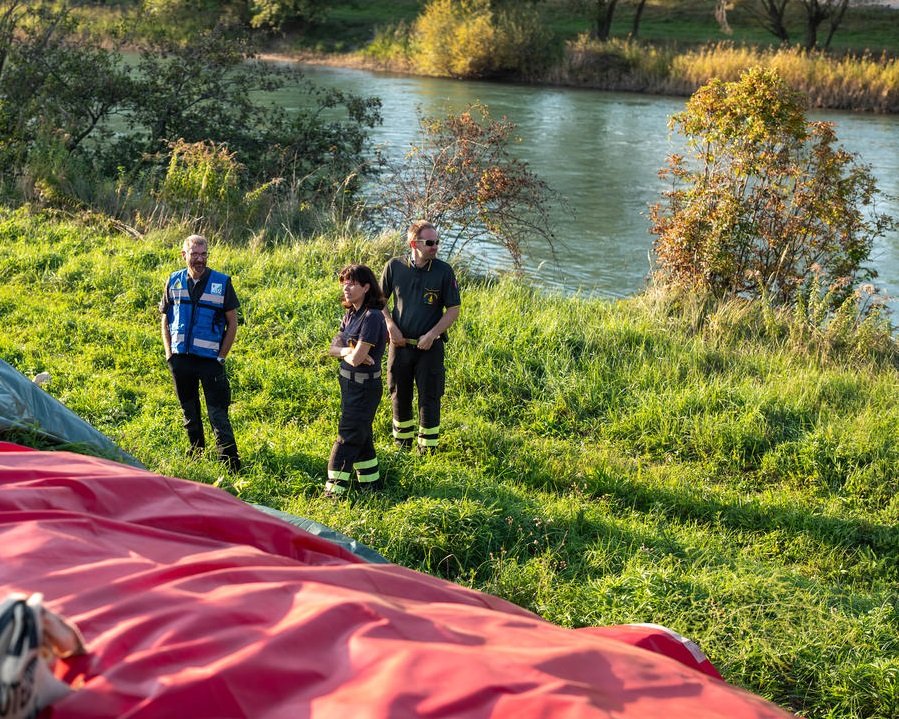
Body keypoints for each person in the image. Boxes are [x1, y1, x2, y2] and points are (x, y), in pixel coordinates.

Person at [160, 234, 241, 471]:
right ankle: (196, 454)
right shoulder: (173, 280)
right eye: (194, 254)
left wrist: (221, 357)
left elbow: (232, 323)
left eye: (203, 254)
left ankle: (230, 463)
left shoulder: (222, 282)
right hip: (181, 359)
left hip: (210, 361)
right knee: (189, 411)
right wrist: (169, 354)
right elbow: (165, 320)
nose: (200, 259)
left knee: (218, 413)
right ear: (184, 255)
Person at [380, 220, 461, 453]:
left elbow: (453, 309)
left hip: (430, 348)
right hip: (400, 346)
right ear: (414, 243)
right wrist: (389, 325)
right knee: (399, 394)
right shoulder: (394, 266)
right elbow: (379, 302)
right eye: (430, 242)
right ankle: (402, 446)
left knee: (430, 396)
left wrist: (433, 334)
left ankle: (428, 451)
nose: (435, 246)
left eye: (437, 242)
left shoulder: (444, 271)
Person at [326, 264, 388, 496]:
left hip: (364, 387)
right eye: (344, 282)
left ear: (366, 287)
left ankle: (333, 493)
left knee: (348, 435)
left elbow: (359, 357)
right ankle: (371, 487)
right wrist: (347, 352)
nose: (346, 287)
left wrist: (351, 353)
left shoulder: (372, 317)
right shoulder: (351, 313)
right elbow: (334, 348)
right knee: (362, 434)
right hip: (348, 383)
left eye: (352, 283)